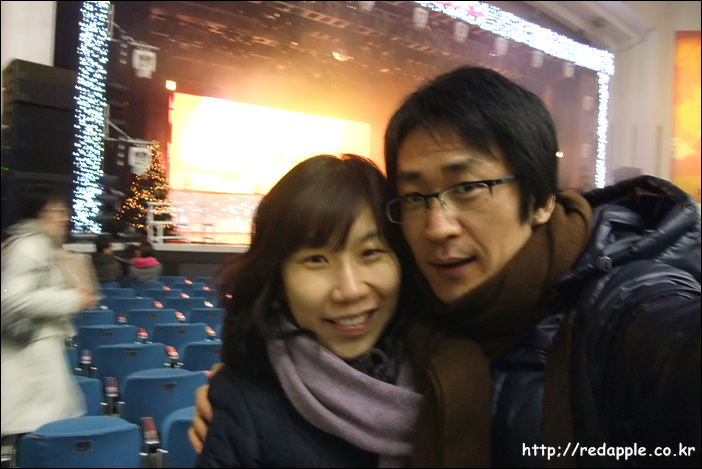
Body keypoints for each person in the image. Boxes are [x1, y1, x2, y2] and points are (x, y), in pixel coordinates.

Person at [190, 67, 701, 467]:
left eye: (469, 188)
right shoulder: (427, 317)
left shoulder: (621, 306)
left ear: (543, 198)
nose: (437, 227)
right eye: (415, 197)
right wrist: (247, 393)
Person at [195, 154, 422, 467]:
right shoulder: (242, 407)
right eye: (316, 259)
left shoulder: (443, 368)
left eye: (370, 252)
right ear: (277, 280)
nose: (351, 290)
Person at [1, 185, 100, 452]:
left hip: (34, 350)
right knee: (34, 431)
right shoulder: (31, 244)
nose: (63, 217)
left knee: (39, 430)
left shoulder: (39, 243)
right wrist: (73, 299)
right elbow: (14, 297)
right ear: (38, 213)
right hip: (27, 352)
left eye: (63, 210)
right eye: (56, 211)